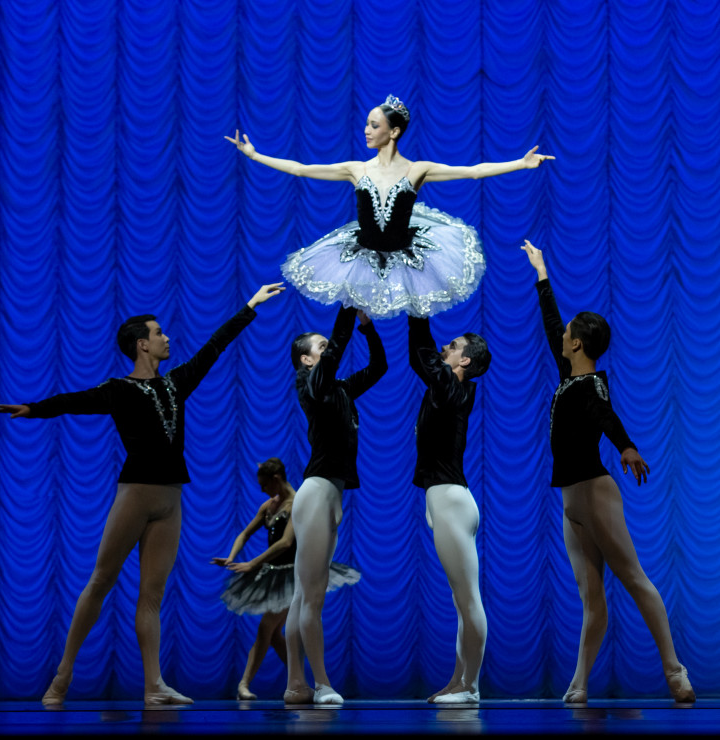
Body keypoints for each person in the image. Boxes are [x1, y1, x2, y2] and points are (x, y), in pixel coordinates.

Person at [0, 282, 285, 706]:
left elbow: (215, 347)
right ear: (142, 344)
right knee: (101, 581)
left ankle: (153, 686)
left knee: (152, 596)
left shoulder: (176, 383)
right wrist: (34, 408)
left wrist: (251, 305)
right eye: (159, 333)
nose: (167, 337)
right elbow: (75, 401)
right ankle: (62, 676)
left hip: (170, 499)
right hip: (136, 494)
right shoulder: (119, 390)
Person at [520, 240, 695, 704]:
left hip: (594, 492)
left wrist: (626, 446)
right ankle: (579, 684)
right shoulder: (569, 376)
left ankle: (675, 671)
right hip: (571, 501)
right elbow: (551, 323)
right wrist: (541, 273)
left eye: (568, 334)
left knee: (633, 578)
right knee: (591, 598)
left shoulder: (592, 383)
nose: (561, 337)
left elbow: (604, 413)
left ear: (577, 344)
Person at [226, 95, 554, 319]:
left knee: (418, 324)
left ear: (394, 131)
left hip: (407, 255)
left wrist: (520, 163)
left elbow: (472, 172)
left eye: (374, 125)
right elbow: (301, 169)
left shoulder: (417, 170)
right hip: (361, 254)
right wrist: (255, 156)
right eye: (367, 124)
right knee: (345, 320)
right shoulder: (357, 169)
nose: (366, 130)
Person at [284, 305, 387, 705]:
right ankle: (322, 684)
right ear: (307, 360)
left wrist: (367, 325)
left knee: (303, 596)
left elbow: (379, 367)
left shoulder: (338, 389)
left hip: (329, 492)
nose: (328, 352)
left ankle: (296, 684)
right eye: (321, 348)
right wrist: (346, 306)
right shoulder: (313, 386)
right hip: (317, 492)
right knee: (312, 596)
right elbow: (336, 350)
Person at [211, 458, 360, 700]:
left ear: (277, 479)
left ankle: (247, 684)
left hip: (293, 575)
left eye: (264, 485)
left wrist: (252, 563)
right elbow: (245, 533)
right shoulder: (269, 505)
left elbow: (285, 543)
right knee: (272, 633)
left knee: (266, 628)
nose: (262, 490)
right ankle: (296, 679)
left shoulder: (296, 503)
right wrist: (231, 557)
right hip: (273, 574)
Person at [408, 316, 491, 703]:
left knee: (468, 598)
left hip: (451, 501)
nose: (445, 347)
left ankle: (471, 687)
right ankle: (458, 681)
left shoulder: (453, 388)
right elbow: (423, 356)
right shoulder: (447, 389)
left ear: (465, 361)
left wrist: (417, 305)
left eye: (453, 346)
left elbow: (422, 354)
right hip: (444, 499)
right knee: (461, 601)